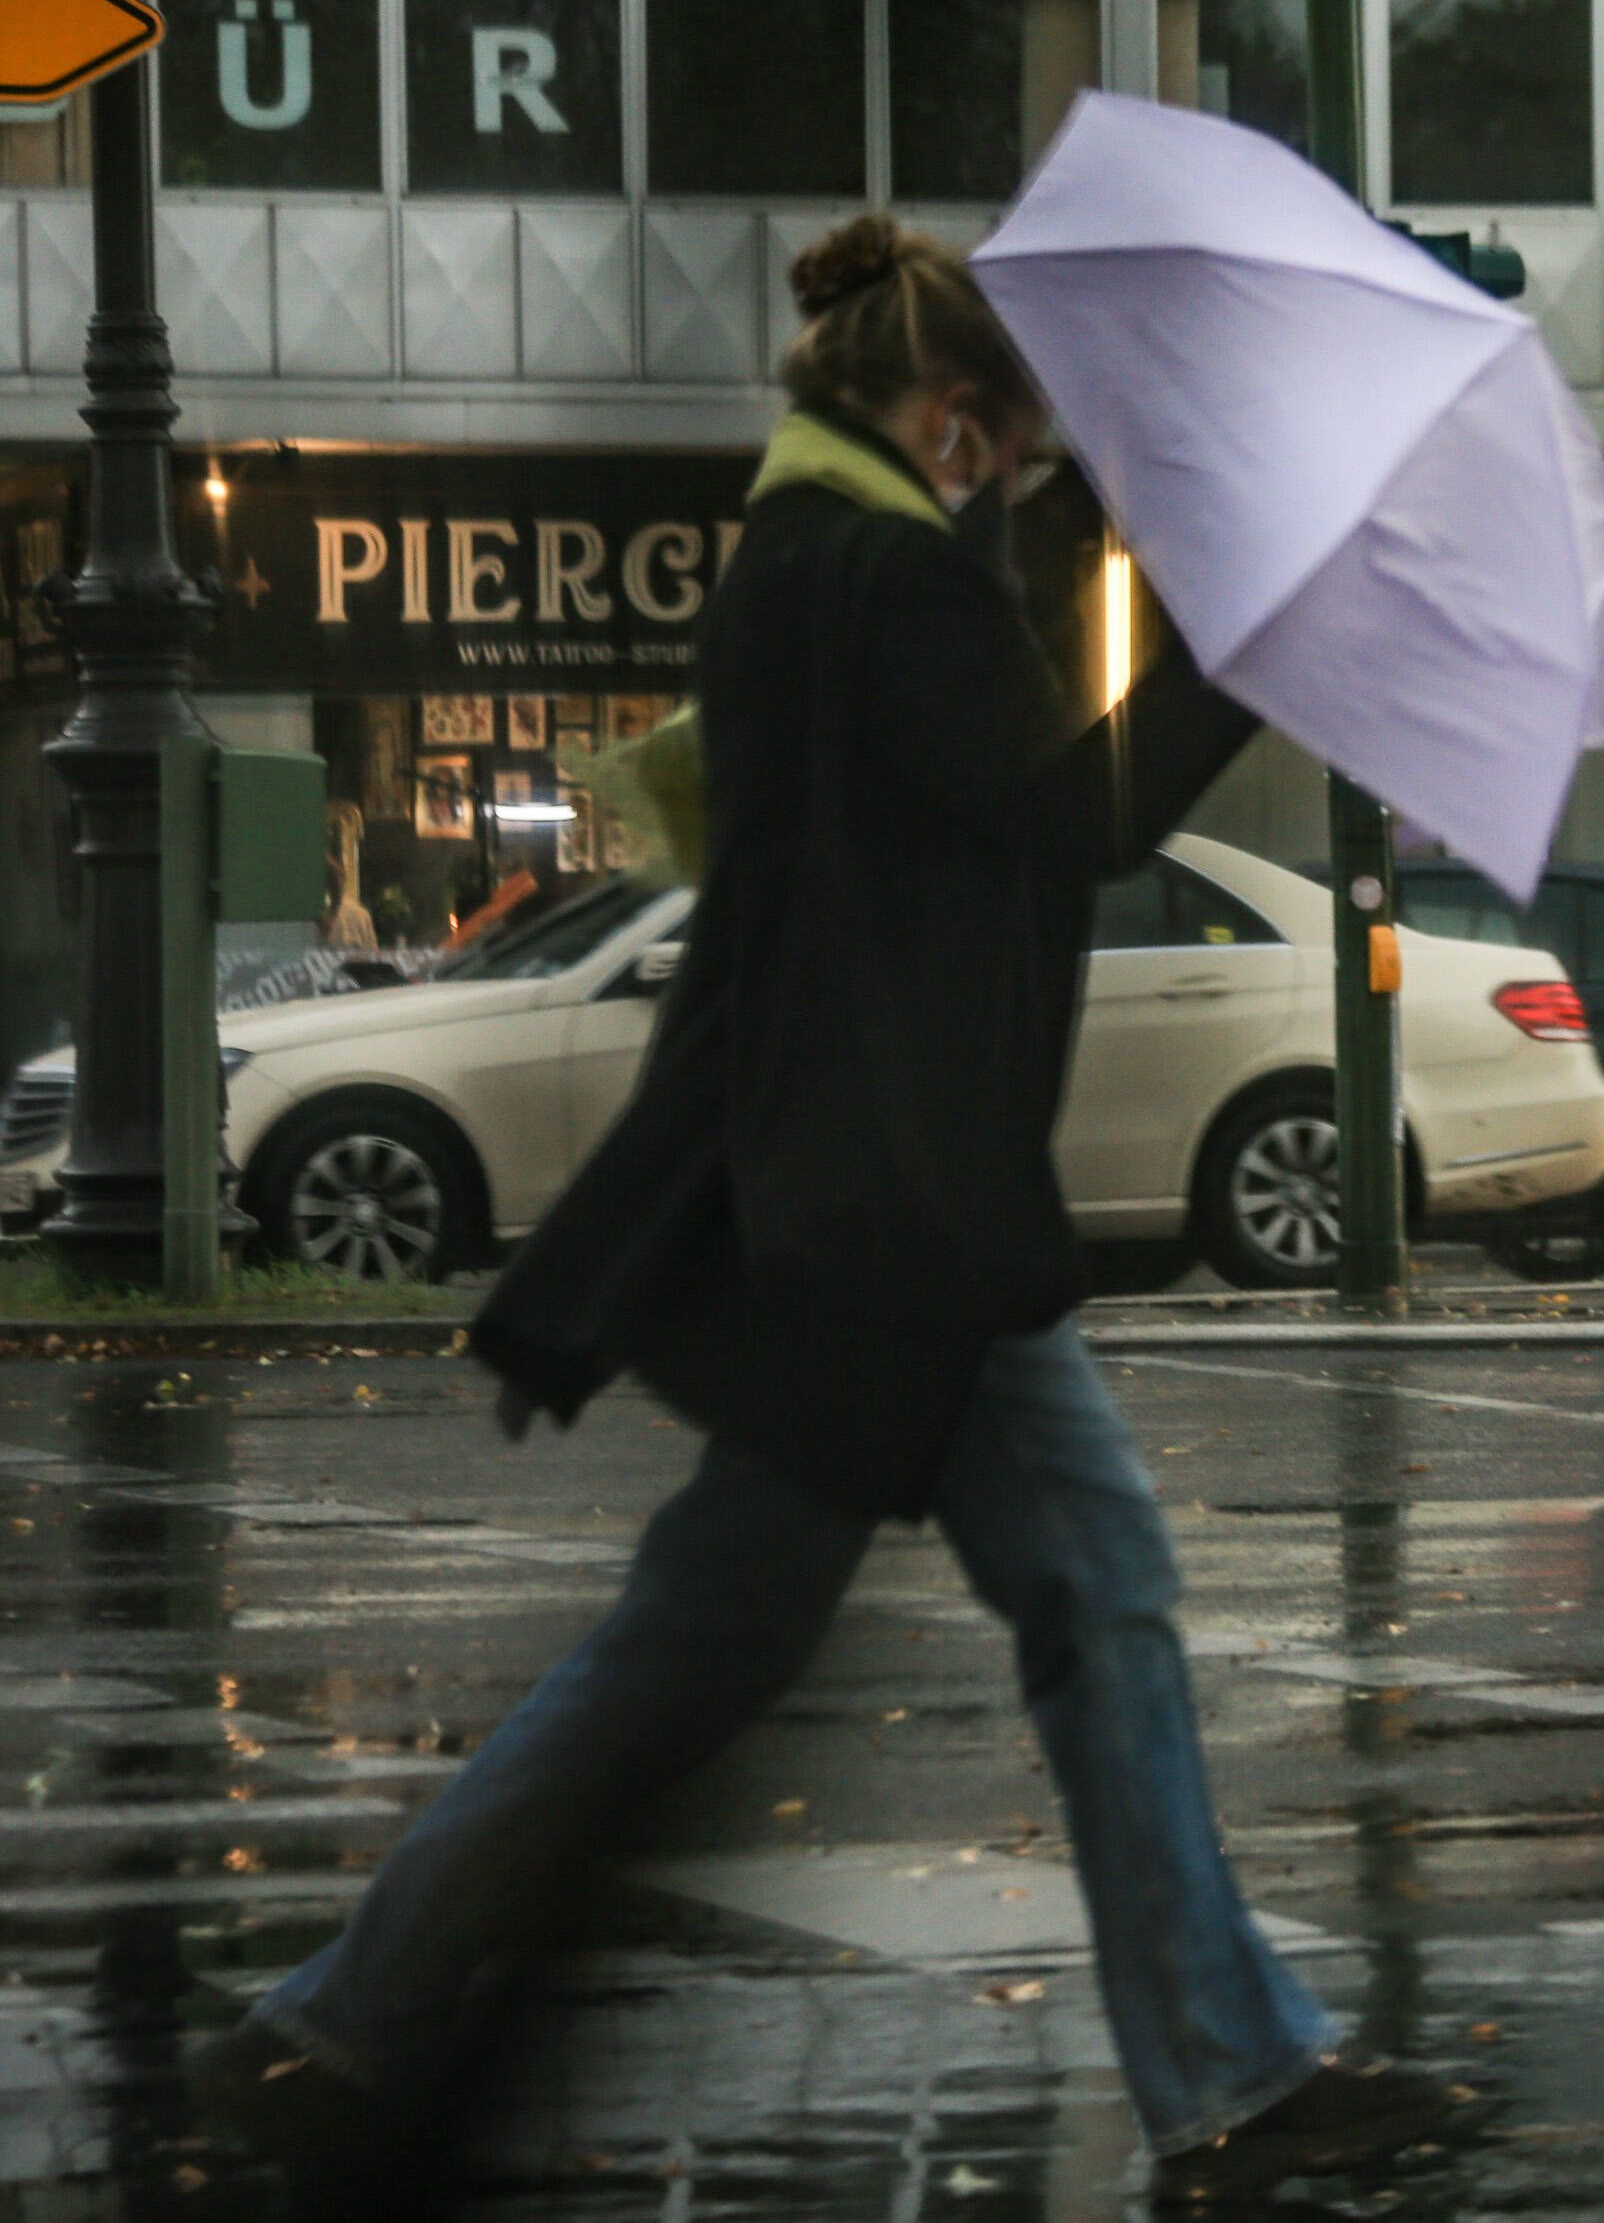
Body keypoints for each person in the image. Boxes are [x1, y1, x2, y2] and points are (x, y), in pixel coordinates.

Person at [196, 214, 1468, 2215]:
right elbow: (1068, 821)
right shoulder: (882, 577)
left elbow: (865, 856)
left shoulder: (801, 558)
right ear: (948, 423)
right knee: (1085, 1600)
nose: (1020, 477)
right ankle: (1233, 2075)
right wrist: (1254, 638)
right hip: (908, 1223)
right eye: (1013, 446)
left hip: (845, 1204)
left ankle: (336, 2027)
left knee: (725, 1640)